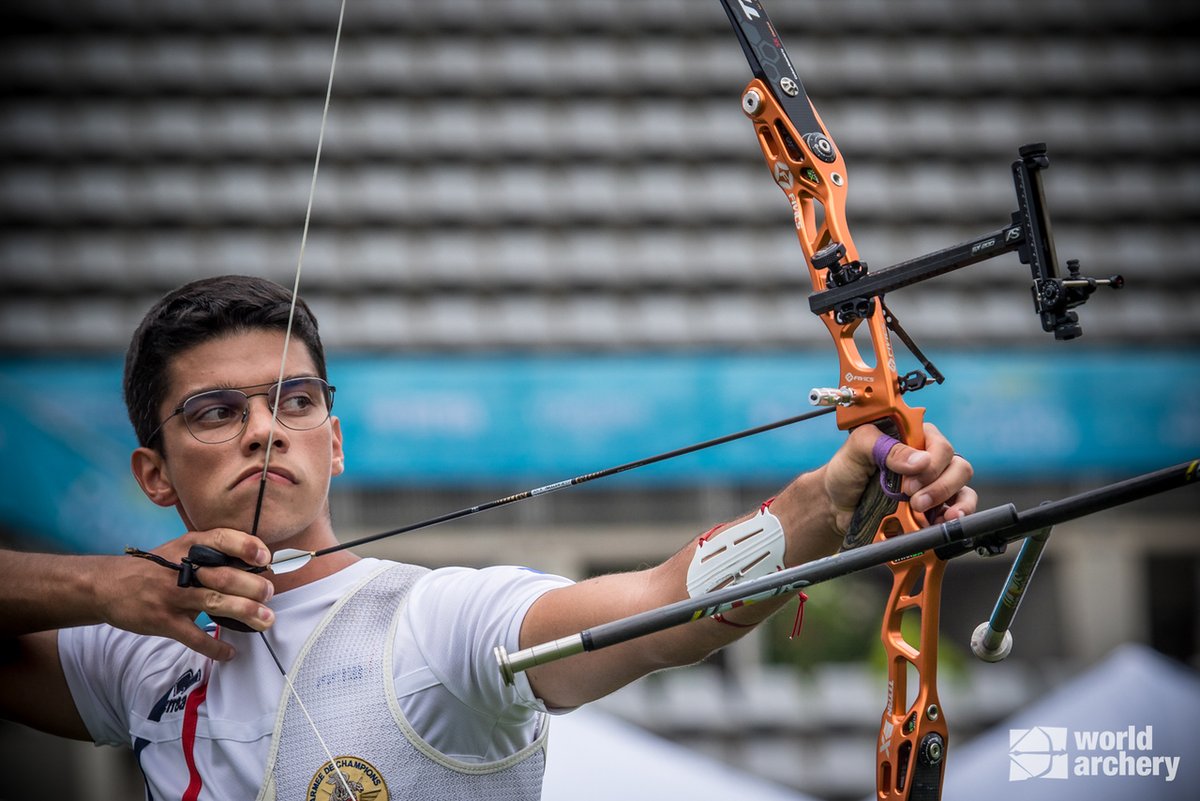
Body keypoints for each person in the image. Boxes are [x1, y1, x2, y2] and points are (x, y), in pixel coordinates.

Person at [0, 275, 976, 799]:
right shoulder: (134, 654)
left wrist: (827, 498)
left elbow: (667, 604)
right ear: (154, 473)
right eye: (216, 410)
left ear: (332, 442)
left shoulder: (437, 620)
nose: (265, 428)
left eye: (293, 400)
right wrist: (105, 592)